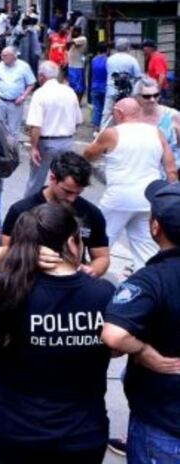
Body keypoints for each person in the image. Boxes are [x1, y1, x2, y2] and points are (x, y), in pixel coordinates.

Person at [0, 203, 115, 464]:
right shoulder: (104, 294)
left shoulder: (6, 289)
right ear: (72, 241)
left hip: (13, 432)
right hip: (81, 434)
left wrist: (18, 252)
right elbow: (118, 345)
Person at [102, 179, 180, 463]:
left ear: (155, 227)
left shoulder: (152, 279)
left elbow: (114, 336)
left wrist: (144, 351)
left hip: (163, 423)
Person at [84, 97, 176, 268]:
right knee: (146, 249)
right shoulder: (156, 132)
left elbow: (87, 156)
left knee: (99, 242)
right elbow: (170, 169)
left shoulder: (112, 133)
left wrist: (96, 144)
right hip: (149, 199)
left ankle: (88, 280)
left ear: (119, 113)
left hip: (119, 199)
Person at [2, 151, 110, 277]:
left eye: (78, 193)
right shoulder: (21, 210)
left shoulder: (92, 214)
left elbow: (102, 257)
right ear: (53, 178)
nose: (72, 199)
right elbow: (6, 253)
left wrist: (91, 271)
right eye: (67, 191)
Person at [24, 61, 82, 197]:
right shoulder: (69, 92)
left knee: (35, 182)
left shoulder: (40, 94)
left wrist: (33, 147)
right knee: (63, 182)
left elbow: (36, 126)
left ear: (41, 76)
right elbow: (78, 121)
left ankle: (27, 210)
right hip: (67, 141)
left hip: (47, 143)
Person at [0, 46, 36, 138]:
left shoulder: (24, 66)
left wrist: (23, 96)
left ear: (13, 56)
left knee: (13, 130)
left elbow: (31, 83)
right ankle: (2, 149)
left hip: (16, 102)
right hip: (1, 101)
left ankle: (13, 150)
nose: (2, 57)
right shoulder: (0, 66)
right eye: (1, 55)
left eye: (5, 55)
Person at [102, 37, 143, 126]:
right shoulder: (132, 60)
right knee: (126, 112)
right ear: (128, 47)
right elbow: (138, 77)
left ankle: (103, 131)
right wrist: (135, 93)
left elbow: (108, 72)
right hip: (127, 91)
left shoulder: (110, 59)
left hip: (111, 89)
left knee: (107, 113)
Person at [90, 41, 109, 129]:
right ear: (107, 50)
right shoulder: (108, 61)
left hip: (95, 86)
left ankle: (95, 124)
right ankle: (103, 125)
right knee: (105, 107)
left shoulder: (94, 60)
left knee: (97, 107)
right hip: (105, 86)